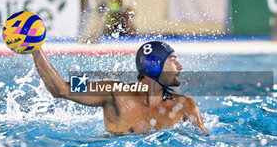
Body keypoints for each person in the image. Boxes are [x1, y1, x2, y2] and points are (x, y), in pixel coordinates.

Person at [32, 41, 207, 135]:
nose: (180, 66)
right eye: (173, 60)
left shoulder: (186, 105)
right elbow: (61, 88)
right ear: (153, 65)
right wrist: (36, 49)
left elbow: (204, 145)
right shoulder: (112, 90)